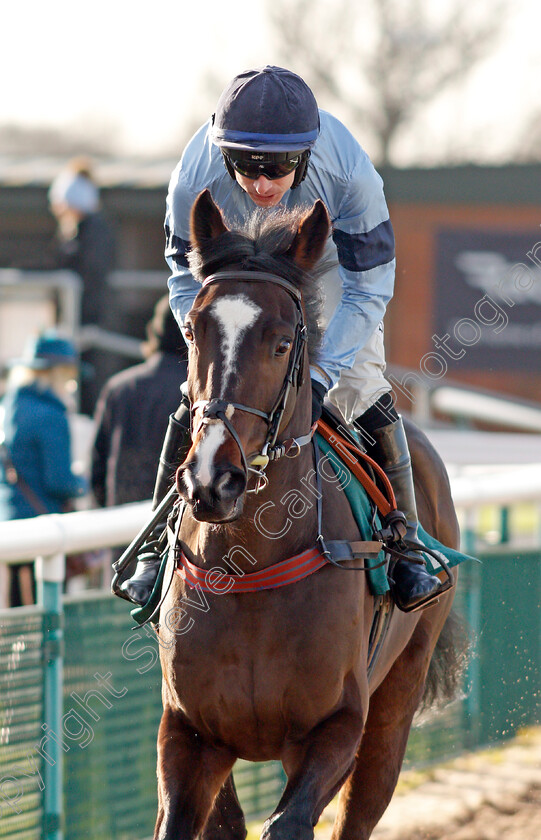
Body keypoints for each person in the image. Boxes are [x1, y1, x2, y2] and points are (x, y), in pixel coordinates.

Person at [122, 65, 446, 612]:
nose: (263, 182)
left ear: (308, 152)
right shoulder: (193, 172)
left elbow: (371, 288)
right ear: (221, 149)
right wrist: (199, 337)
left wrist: (321, 376)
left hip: (331, 265)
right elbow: (182, 273)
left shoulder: (348, 172)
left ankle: (406, 545)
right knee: (199, 396)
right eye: (246, 165)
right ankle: (154, 549)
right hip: (233, 269)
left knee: (360, 384)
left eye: (279, 166)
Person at [0, 330, 88, 606]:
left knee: (18, 610)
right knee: (48, 613)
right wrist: (81, 482)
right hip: (45, 527)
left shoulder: (9, 406)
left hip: (11, 521)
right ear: (56, 373)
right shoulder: (51, 415)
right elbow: (59, 481)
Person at [91, 295, 188, 515]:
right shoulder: (197, 392)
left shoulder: (118, 387)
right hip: (174, 524)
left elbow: (97, 469)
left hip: (119, 524)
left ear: (155, 330)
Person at [48, 158, 116, 415]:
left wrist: (81, 318)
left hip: (90, 320)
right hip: (80, 320)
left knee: (89, 385)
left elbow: (90, 277)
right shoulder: (78, 232)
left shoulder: (93, 233)